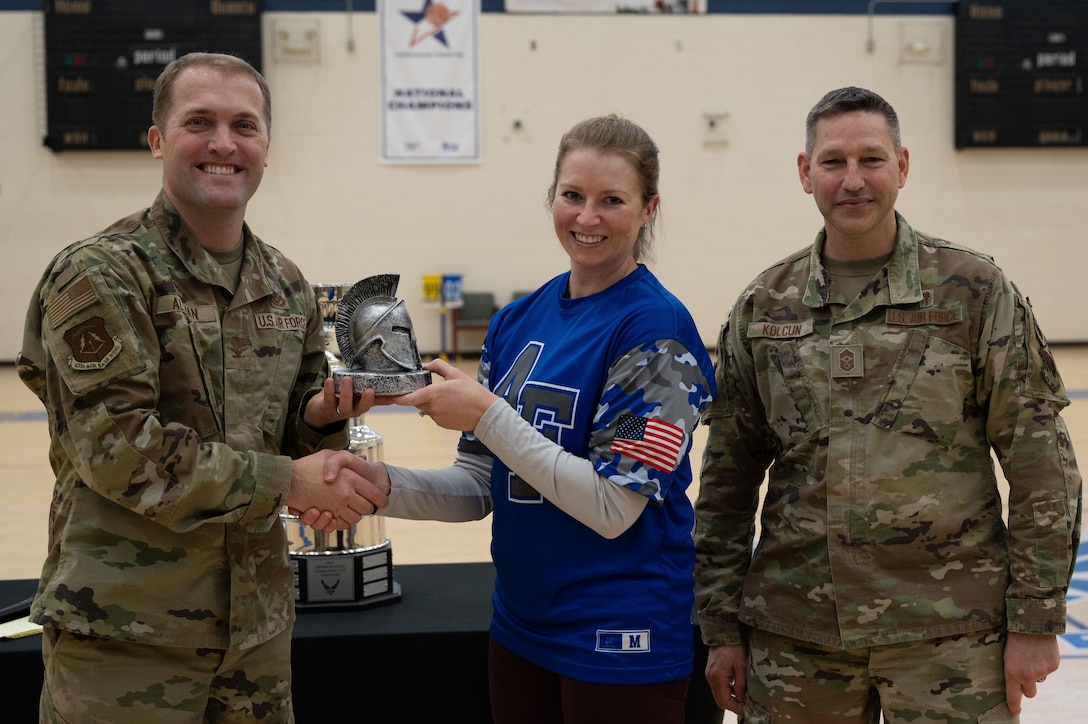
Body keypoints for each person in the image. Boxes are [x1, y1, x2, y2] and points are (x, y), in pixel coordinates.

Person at [694, 86, 1083, 722]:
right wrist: (720, 628)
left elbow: (1041, 465)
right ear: (804, 172)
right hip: (797, 638)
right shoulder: (764, 308)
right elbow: (727, 484)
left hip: (951, 639)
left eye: (872, 160)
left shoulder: (974, 292)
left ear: (902, 167)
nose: (853, 181)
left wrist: (1037, 620)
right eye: (833, 162)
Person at [16, 52, 383, 722]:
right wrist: (290, 482)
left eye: (244, 125)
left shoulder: (285, 283)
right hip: (126, 641)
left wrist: (327, 417)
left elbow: (293, 436)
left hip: (256, 638)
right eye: (199, 121)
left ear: (266, 147)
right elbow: (120, 451)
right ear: (157, 140)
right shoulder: (102, 273)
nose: (223, 143)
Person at [357, 115, 716, 723]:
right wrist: (376, 488)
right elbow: (477, 487)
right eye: (572, 195)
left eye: (612, 200)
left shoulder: (659, 336)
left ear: (649, 209)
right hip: (521, 623)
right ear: (551, 196)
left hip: (621, 635)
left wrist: (488, 414)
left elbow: (612, 506)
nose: (587, 217)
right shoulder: (515, 322)